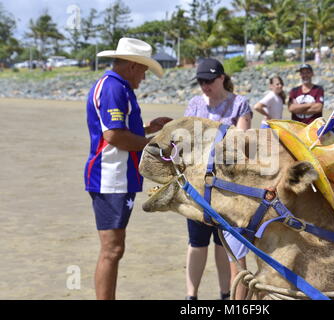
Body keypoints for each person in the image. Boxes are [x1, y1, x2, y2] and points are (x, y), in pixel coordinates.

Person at [84, 37, 172, 300]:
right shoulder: (113, 87)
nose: (144, 77)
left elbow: (116, 130)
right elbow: (113, 136)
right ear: (133, 66)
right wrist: (154, 146)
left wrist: (147, 128)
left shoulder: (117, 86)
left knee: (114, 248)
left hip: (120, 176)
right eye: (144, 70)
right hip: (111, 177)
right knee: (112, 249)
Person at [184, 58, 253, 300]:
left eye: (208, 81)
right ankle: (191, 297)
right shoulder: (194, 105)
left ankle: (226, 294)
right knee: (196, 242)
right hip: (198, 187)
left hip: (229, 189)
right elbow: (186, 142)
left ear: (222, 78)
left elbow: (241, 143)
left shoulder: (240, 104)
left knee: (225, 245)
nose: (204, 86)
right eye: (200, 82)